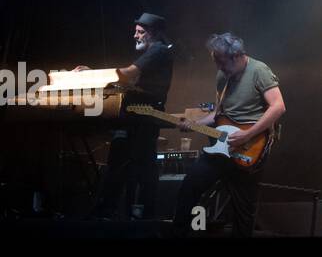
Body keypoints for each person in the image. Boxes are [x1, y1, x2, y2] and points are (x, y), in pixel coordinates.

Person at [172, 33, 285, 237]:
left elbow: (278, 107)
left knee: (243, 209)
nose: (219, 68)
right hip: (221, 145)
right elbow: (218, 114)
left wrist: (247, 134)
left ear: (237, 56)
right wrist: (194, 124)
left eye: (222, 62)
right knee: (190, 186)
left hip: (250, 146)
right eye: (216, 62)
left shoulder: (259, 70)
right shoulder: (223, 76)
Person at [82, 13, 173, 220]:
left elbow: (126, 74)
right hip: (138, 116)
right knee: (133, 164)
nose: (135, 36)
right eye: (135, 31)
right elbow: (129, 83)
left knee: (131, 165)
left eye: (140, 32)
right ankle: (126, 213)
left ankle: (119, 213)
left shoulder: (158, 49)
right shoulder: (156, 52)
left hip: (143, 116)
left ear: (154, 34)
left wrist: (89, 75)